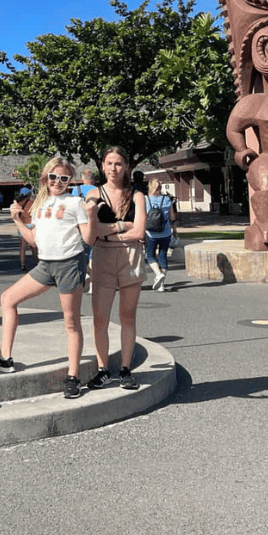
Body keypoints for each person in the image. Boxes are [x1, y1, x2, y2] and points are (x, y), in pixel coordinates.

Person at [0, 157, 93, 399]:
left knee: (71, 323)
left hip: (69, 265)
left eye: (64, 178)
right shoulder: (40, 203)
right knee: (8, 298)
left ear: (69, 180)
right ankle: (4, 357)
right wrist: (17, 220)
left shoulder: (75, 203)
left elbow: (88, 239)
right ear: (46, 177)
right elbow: (33, 241)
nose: (58, 182)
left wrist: (91, 215)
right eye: (54, 177)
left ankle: (73, 377)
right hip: (45, 265)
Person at [84, 146, 147, 391]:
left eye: (118, 163)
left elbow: (140, 231)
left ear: (127, 167)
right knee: (100, 319)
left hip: (131, 259)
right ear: (102, 165)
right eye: (109, 163)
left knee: (127, 316)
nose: (113, 168)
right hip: (102, 261)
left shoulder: (137, 196)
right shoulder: (93, 194)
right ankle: (102, 369)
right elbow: (92, 232)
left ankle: (125, 368)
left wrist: (107, 234)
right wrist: (122, 227)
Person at [145, 178, 177, 291]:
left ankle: (158, 274)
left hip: (150, 233)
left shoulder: (146, 199)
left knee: (150, 255)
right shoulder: (167, 199)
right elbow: (172, 217)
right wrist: (175, 230)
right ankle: (162, 285)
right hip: (165, 232)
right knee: (163, 254)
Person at [16, 187, 38, 271]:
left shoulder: (19, 203)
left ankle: (22, 264)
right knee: (33, 245)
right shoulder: (33, 202)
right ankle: (36, 262)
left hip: (22, 224)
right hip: (31, 224)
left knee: (22, 246)